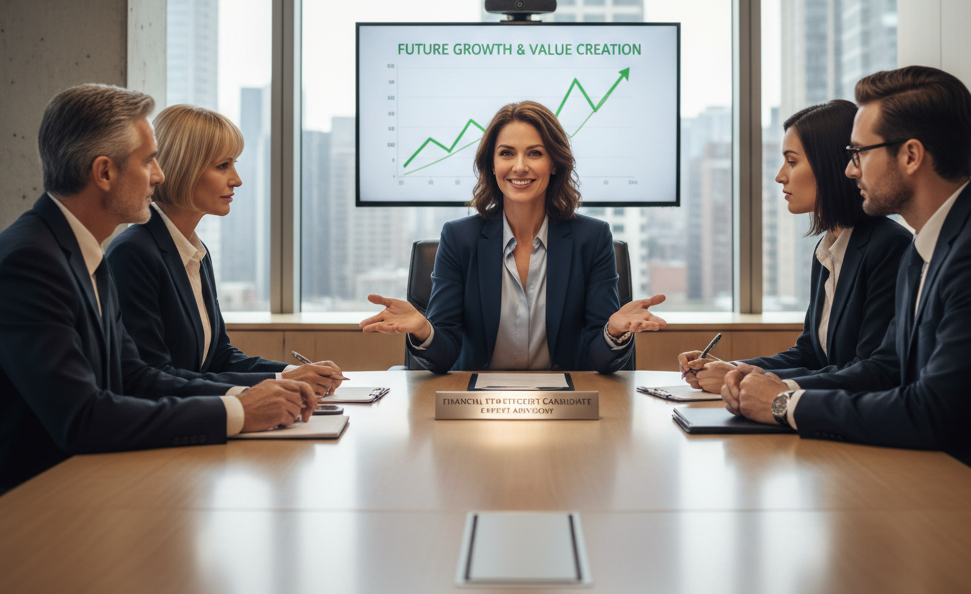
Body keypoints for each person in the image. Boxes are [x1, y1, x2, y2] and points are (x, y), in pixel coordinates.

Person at [0, 85, 318, 494]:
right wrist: (236, 411)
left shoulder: (83, 252)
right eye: (149, 160)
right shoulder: (31, 260)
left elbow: (134, 378)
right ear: (104, 172)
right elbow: (82, 418)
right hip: (38, 506)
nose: (160, 174)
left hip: (93, 486)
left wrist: (253, 396)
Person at [720, 66, 971, 495]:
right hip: (930, 482)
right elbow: (888, 370)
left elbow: (931, 410)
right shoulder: (927, 246)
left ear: (911, 155)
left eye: (859, 152)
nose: (850, 170)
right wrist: (768, 386)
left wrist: (784, 401)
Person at [359, 100, 667, 372]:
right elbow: (445, 356)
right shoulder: (459, 238)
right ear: (492, 165)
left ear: (554, 163)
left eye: (534, 153)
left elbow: (599, 360)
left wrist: (612, 332)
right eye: (507, 153)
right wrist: (423, 330)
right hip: (479, 406)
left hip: (565, 405)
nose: (519, 167)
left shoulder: (592, 238)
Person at [107, 104, 344, 397]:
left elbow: (217, 357)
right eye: (223, 166)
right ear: (183, 168)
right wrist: (273, 387)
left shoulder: (194, 250)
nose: (237, 179)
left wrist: (290, 374)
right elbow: (150, 378)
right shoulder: (133, 253)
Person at [679, 100, 911, 393]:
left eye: (791, 161)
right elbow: (811, 354)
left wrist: (769, 387)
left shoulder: (888, 248)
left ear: (830, 165)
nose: (780, 176)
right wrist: (734, 369)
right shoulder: (827, 250)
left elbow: (872, 371)